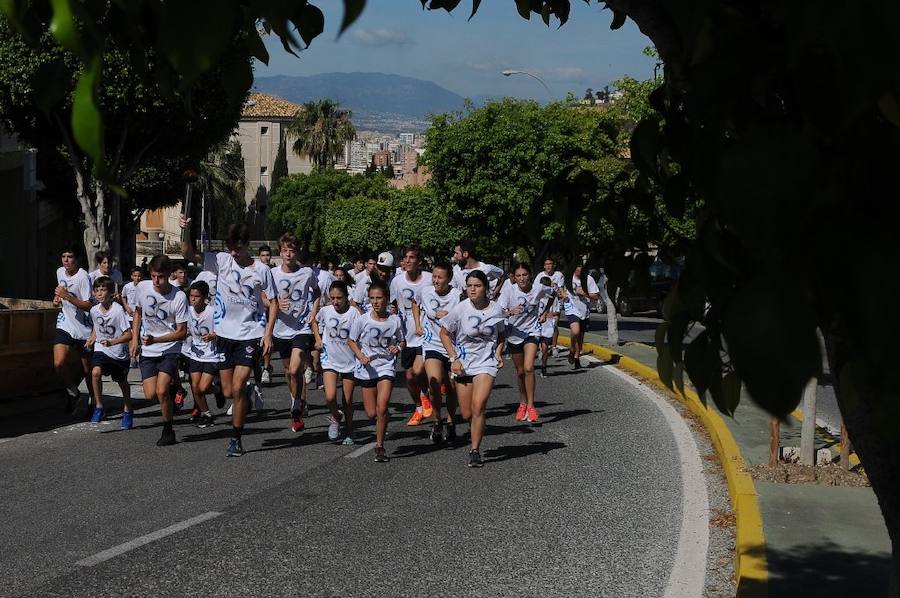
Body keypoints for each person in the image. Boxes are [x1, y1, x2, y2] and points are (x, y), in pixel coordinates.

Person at [180, 219, 278, 458]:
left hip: (249, 333)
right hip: (224, 334)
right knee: (226, 392)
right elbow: (188, 252)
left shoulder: (261, 271)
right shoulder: (221, 260)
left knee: (236, 388)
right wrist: (186, 229)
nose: (233, 252)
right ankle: (248, 391)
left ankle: (236, 437)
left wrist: (267, 333)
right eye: (230, 247)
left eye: (237, 248)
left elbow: (273, 302)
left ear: (246, 245)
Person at [439, 270, 506, 468]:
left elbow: (501, 334)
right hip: (463, 364)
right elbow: (444, 334)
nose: (473, 289)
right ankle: (474, 426)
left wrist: (499, 353)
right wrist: (453, 358)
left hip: (486, 363)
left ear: (485, 288)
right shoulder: (460, 309)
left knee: (479, 406)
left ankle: (474, 450)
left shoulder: (496, 310)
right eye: (469, 286)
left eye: (477, 286)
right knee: (467, 413)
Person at [129, 254, 189, 446]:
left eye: (161, 277)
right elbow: (138, 312)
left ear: (169, 275)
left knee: (161, 391)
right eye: (154, 276)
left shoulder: (178, 296)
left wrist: (157, 339)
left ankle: (168, 430)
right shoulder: (143, 287)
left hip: (169, 347)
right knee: (150, 395)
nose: (156, 280)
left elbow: (182, 332)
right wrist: (134, 338)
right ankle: (174, 390)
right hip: (148, 348)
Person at [347, 279, 404, 463]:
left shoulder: (395, 320)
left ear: (387, 299)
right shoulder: (362, 319)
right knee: (371, 413)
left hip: (386, 366)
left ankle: (379, 446)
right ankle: (382, 419)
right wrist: (360, 355)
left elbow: (402, 340)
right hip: (367, 368)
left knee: (382, 407)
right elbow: (351, 341)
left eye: (379, 298)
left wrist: (399, 348)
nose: (375, 302)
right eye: (372, 298)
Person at [270, 234, 319, 433]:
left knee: (294, 369)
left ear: (297, 252)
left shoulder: (307, 273)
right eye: (285, 250)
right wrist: (273, 304)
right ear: (280, 252)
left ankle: (297, 403)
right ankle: (296, 402)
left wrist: (314, 310)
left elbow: (316, 292)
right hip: (280, 329)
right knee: (288, 372)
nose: (288, 254)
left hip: (301, 328)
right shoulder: (272, 273)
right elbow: (263, 296)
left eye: (292, 250)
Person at [498, 263, 554, 423]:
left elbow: (553, 293)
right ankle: (522, 402)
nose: (522, 278)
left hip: (532, 332)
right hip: (514, 333)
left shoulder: (538, 288)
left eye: (524, 275)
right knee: (520, 371)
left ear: (530, 275)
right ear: (514, 277)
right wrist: (509, 312)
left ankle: (531, 405)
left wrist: (544, 313)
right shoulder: (509, 291)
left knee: (529, 368)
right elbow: (498, 310)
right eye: (518, 276)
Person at [416, 261, 461, 443]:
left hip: (452, 345)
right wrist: (418, 324)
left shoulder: (458, 296)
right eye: (434, 276)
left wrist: (450, 317)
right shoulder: (425, 292)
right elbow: (415, 303)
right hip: (432, 343)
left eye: (440, 277)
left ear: (449, 279)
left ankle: (450, 422)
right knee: (433, 383)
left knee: (451, 387)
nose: (436, 280)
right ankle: (437, 420)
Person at [312, 280, 361, 444]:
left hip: (349, 360)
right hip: (330, 359)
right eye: (332, 298)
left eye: (339, 298)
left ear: (346, 297)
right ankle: (335, 417)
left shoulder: (354, 313)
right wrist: (318, 339)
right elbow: (314, 320)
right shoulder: (326, 310)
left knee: (347, 400)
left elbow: (363, 332)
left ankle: (349, 430)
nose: (335, 301)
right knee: (330, 396)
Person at [390, 245, 434, 426]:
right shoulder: (397, 281)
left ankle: (425, 395)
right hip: (406, 333)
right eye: (405, 258)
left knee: (418, 370)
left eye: (411, 257)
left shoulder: (430, 279)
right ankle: (418, 407)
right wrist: (391, 309)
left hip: (425, 331)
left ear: (419, 261)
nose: (407, 261)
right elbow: (391, 302)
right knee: (408, 377)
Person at [53, 244, 95, 415]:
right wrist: (57, 299)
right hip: (65, 323)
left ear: (76, 259)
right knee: (58, 363)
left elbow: (88, 305)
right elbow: (61, 294)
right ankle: (74, 393)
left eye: (69, 257)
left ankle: (95, 402)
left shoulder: (83, 277)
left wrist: (67, 297)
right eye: (63, 257)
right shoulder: (59, 272)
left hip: (84, 328)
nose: (66, 260)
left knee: (87, 370)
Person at [85, 276, 133, 427]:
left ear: (111, 292)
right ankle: (99, 406)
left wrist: (112, 342)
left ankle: (128, 409)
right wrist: (92, 338)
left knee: (122, 382)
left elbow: (129, 334)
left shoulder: (118, 311)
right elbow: (96, 328)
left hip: (118, 352)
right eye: (97, 290)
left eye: (103, 290)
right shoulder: (94, 310)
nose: (100, 293)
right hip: (102, 349)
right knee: (95, 373)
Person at [183, 281, 218, 428]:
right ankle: (206, 414)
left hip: (211, 354)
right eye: (191, 296)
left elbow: (223, 330)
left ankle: (219, 390)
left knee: (203, 388)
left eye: (196, 296)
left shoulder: (212, 312)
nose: (193, 299)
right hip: (195, 353)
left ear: (204, 297)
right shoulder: (188, 311)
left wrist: (213, 336)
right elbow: (187, 328)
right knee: (195, 387)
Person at [559, 263, 600, 369]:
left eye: (581, 270)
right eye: (577, 270)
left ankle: (577, 358)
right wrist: (563, 294)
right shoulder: (568, 278)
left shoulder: (588, 279)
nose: (579, 272)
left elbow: (596, 296)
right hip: (571, 308)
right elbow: (561, 289)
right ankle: (572, 348)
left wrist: (585, 293)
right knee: (575, 331)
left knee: (580, 338)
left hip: (584, 310)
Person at [535, 257, 566, 355]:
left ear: (553, 265)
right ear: (544, 266)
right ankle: (542, 348)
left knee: (554, 325)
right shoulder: (540, 275)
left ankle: (554, 347)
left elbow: (561, 289)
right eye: (547, 264)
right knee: (541, 326)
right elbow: (535, 289)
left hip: (554, 302)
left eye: (550, 264)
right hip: (542, 303)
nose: (549, 266)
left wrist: (562, 296)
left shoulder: (559, 275)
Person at [537, 276, 559, 378]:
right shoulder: (536, 296)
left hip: (547, 324)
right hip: (535, 325)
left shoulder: (553, 298)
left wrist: (550, 314)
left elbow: (557, 311)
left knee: (545, 348)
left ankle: (543, 367)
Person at [258, 245, 274, 384]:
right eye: (263, 255)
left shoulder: (274, 272)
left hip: (271, 313)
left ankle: (266, 368)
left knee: (267, 341)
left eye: (267, 255)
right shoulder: (256, 272)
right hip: (258, 313)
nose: (266, 258)